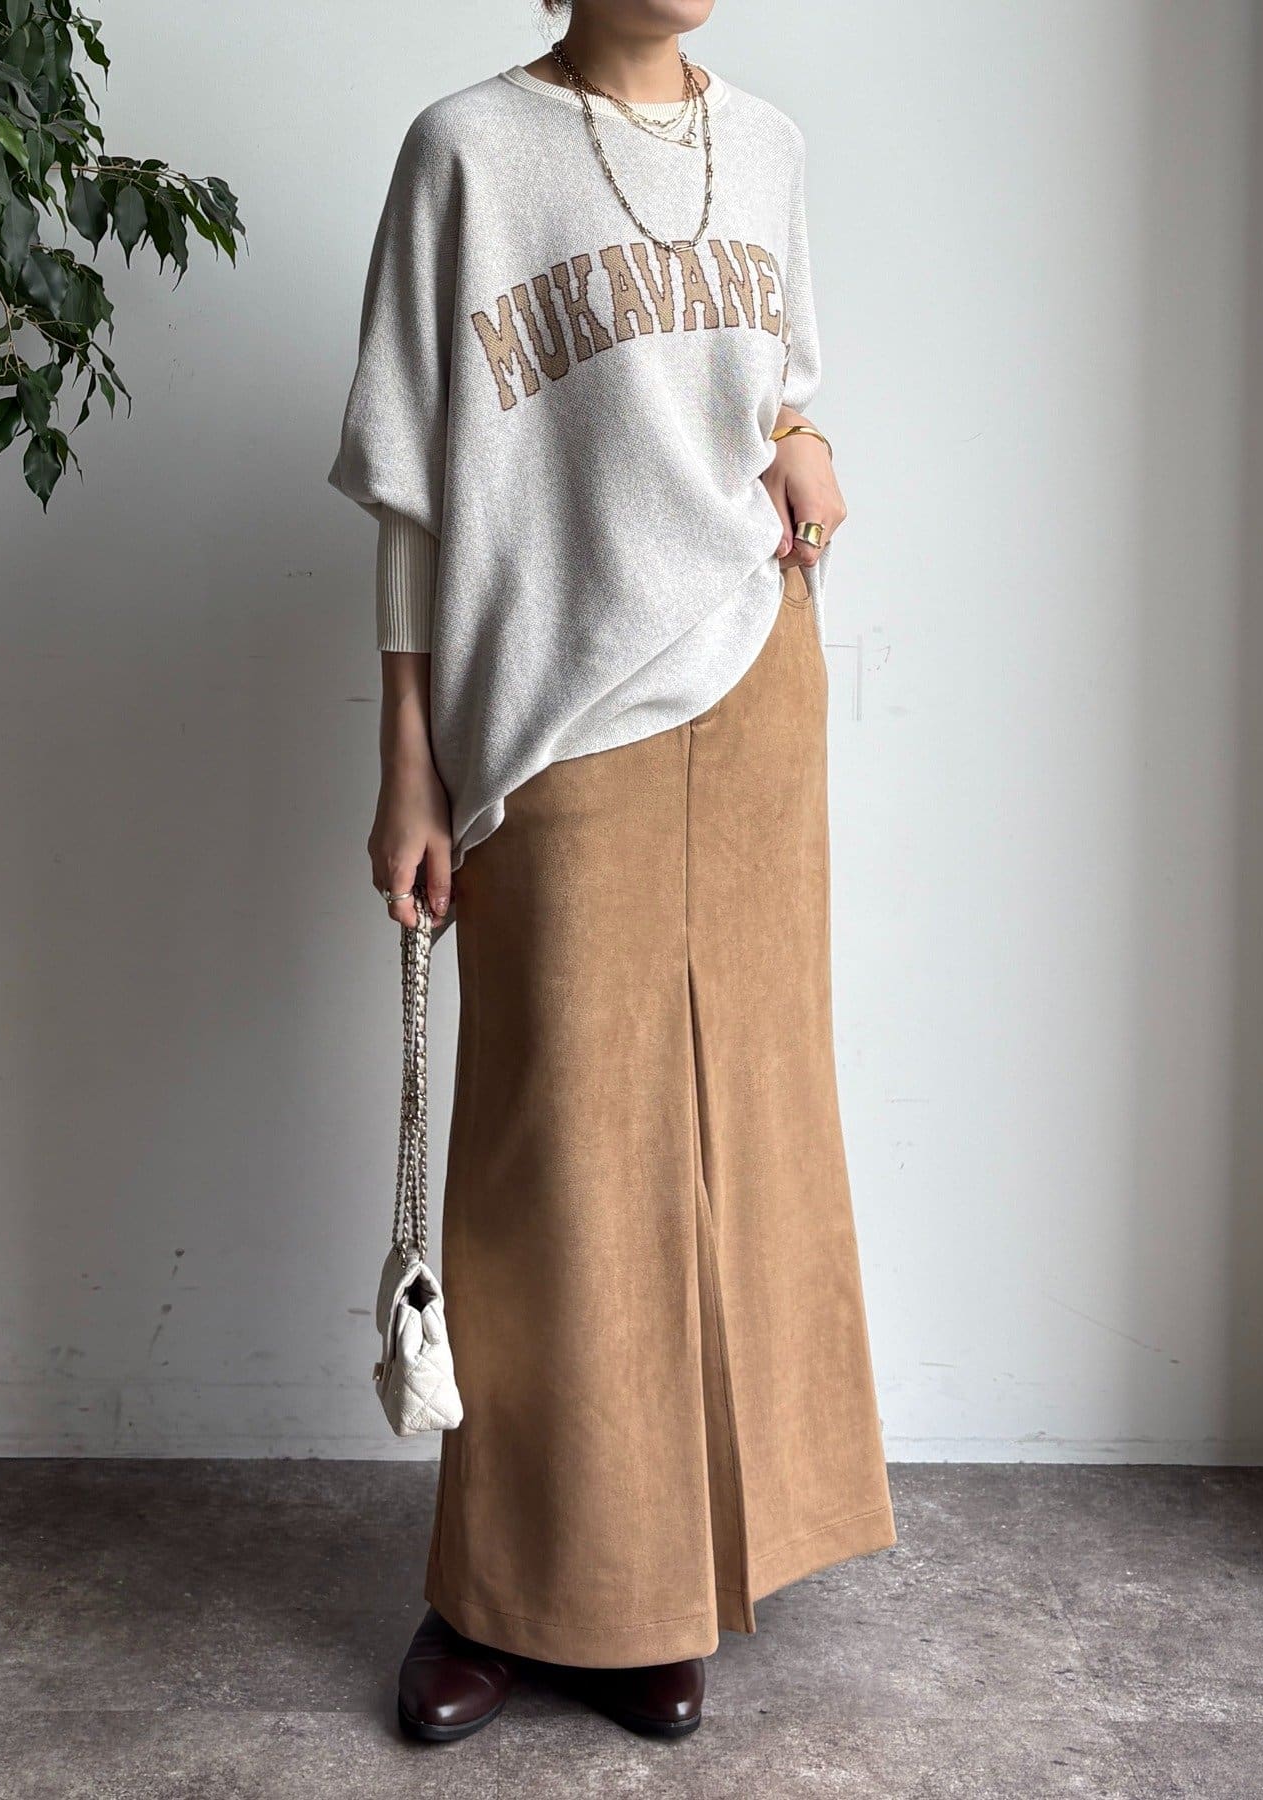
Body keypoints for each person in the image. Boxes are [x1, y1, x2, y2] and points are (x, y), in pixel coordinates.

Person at [329, 0, 896, 1745]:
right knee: (553, 1149)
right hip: (555, 710)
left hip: (757, 689)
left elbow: (782, 399)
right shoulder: (466, 152)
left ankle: (664, 1582)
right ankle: (503, 1594)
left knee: (748, 1130)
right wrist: (409, 758)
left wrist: (807, 445)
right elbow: (415, 490)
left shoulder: (770, 146)